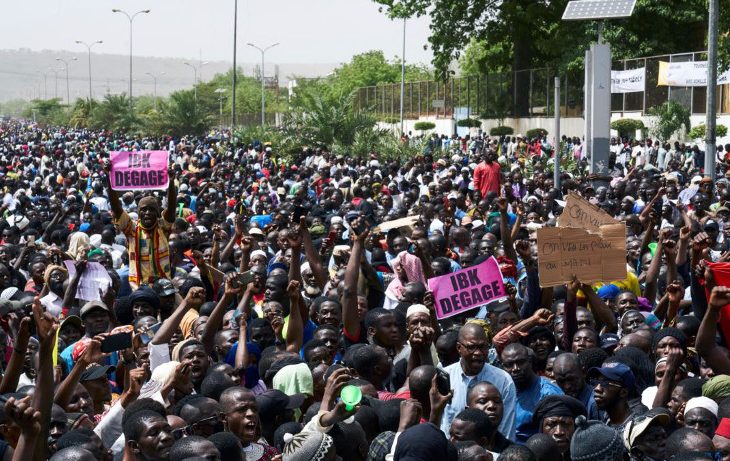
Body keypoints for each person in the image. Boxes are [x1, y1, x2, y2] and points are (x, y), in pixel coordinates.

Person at [439, 323, 517, 440]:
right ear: (459, 348)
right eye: (471, 347)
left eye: (483, 347)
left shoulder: (503, 380)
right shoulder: (444, 377)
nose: (478, 353)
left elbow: (506, 430)